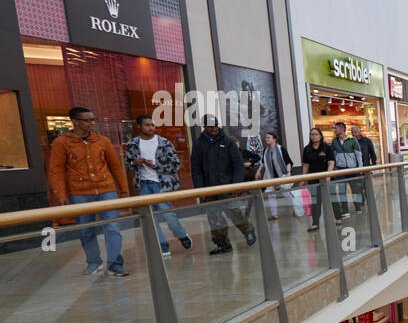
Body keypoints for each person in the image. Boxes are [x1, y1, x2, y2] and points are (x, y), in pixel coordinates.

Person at [48, 106, 132, 276]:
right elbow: (55, 170)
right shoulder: (61, 143)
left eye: (93, 120)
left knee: (113, 227)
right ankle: (94, 262)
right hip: (79, 192)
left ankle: (115, 263)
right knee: (86, 229)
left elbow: (115, 166)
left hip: (106, 189)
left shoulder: (102, 141)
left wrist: (123, 189)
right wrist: (61, 195)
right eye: (88, 120)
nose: (92, 123)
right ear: (75, 122)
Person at [125, 114, 191, 257]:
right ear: (139, 126)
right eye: (147, 125)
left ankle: (181, 235)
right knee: (151, 218)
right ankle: (163, 245)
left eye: (152, 125)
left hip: (161, 184)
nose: (151, 128)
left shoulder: (164, 142)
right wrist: (133, 163)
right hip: (143, 184)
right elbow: (128, 164)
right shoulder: (133, 144)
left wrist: (155, 165)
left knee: (168, 215)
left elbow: (175, 165)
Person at [191, 114, 256, 255]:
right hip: (209, 189)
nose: (214, 128)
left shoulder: (228, 142)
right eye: (211, 126)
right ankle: (223, 244)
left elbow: (238, 166)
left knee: (234, 212)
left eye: (216, 125)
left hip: (227, 187)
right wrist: (199, 190)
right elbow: (195, 169)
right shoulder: (198, 144)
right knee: (214, 218)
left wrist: (236, 185)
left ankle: (249, 232)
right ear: (204, 127)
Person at [256, 130, 300, 220]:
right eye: (266, 137)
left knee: (287, 194)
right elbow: (263, 162)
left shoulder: (281, 149)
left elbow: (288, 162)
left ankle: (297, 209)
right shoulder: (266, 150)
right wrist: (258, 171)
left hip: (282, 175)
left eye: (269, 138)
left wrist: (288, 173)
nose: (266, 139)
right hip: (270, 176)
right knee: (271, 194)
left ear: (274, 139)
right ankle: (274, 214)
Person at [300, 125, 337, 231]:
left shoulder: (327, 148)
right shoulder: (307, 149)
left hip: (327, 178)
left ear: (320, 136)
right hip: (313, 179)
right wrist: (303, 179)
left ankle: (337, 217)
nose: (313, 136)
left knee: (332, 199)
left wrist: (328, 176)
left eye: (316, 134)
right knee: (315, 201)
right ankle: (315, 223)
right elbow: (306, 165)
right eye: (311, 134)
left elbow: (331, 162)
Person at [331, 123, 364, 215]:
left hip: (352, 170)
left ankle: (358, 207)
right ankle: (344, 210)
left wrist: (360, 168)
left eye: (336, 128)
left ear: (342, 129)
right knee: (342, 190)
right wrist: (334, 168)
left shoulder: (352, 140)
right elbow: (333, 155)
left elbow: (358, 154)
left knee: (355, 189)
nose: (335, 130)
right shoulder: (334, 141)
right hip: (340, 170)